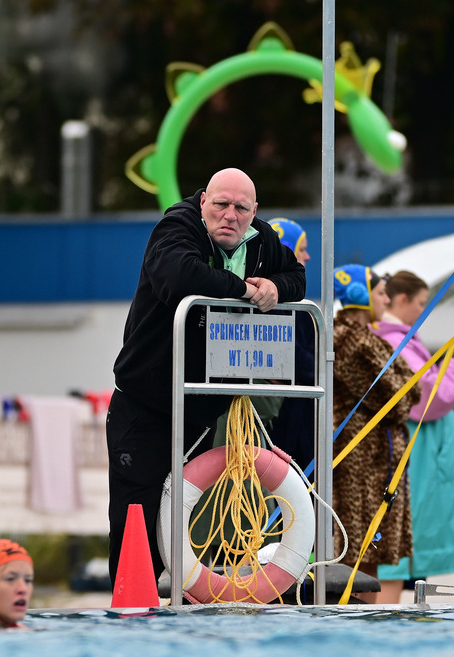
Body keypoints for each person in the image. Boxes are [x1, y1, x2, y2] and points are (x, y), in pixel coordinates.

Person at [107, 169, 306, 585]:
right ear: (202, 202)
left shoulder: (263, 238)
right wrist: (246, 291)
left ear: (255, 212)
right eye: (221, 204)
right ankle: (129, 616)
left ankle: (188, 610)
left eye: (241, 208)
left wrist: (274, 286)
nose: (230, 215)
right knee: (136, 516)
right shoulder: (176, 227)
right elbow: (179, 277)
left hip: (207, 407)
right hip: (147, 403)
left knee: (196, 520)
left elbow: (297, 278)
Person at [371, 270, 454, 600]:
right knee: (394, 556)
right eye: (421, 303)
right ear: (400, 299)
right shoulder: (392, 341)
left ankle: (389, 617)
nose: (424, 311)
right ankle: (386, 621)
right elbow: (428, 395)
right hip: (412, 464)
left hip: (418, 462)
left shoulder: (401, 340)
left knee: (404, 556)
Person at [331, 264, 418, 603]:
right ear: (359, 295)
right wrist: (406, 392)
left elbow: (407, 385)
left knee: (365, 548)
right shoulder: (355, 341)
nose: (386, 300)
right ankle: (358, 620)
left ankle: (359, 615)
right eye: (381, 293)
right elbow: (400, 397)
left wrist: (407, 389)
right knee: (361, 548)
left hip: (368, 459)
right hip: (363, 461)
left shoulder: (357, 337)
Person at [264, 217, 315, 472]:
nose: (307, 256)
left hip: (298, 417)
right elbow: (296, 362)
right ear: (285, 250)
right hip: (281, 425)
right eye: (302, 248)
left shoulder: (299, 308)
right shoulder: (268, 303)